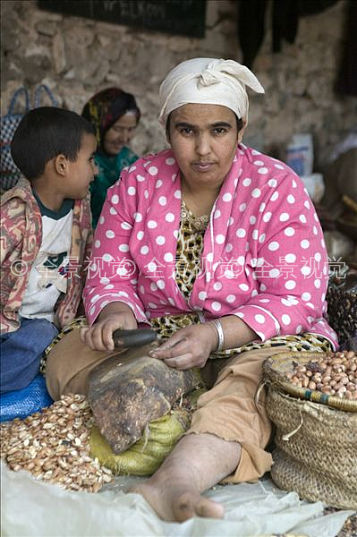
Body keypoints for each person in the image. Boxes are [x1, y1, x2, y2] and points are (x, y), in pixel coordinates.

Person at [45, 58, 337, 522]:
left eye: (219, 130)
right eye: (187, 131)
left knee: (253, 386)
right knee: (67, 355)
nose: (203, 149)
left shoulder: (277, 187)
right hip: (157, 334)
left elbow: (296, 296)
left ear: (241, 129)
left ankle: (174, 480)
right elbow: (109, 267)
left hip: (254, 337)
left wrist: (216, 336)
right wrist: (117, 310)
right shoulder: (136, 183)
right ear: (166, 129)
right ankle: (180, 402)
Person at [0, 107, 97, 393]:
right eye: (90, 160)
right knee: (39, 339)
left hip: (45, 324)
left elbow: (86, 263)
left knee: (49, 338)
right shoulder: (14, 214)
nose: (95, 170)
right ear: (62, 165)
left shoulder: (80, 211)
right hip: (8, 321)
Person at [81, 87, 141, 228]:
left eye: (130, 129)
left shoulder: (131, 160)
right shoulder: (82, 163)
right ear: (98, 125)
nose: (124, 138)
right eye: (117, 129)